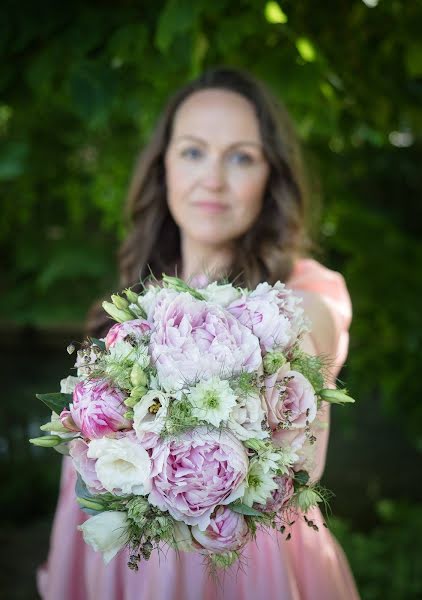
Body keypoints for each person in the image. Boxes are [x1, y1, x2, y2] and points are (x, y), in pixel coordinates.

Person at [38, 66, 360, 599]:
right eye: (192, 151)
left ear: (271, 177)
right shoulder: (123, 314)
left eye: (241, 157)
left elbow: (310, 333)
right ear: (163, 167)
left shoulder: (302, 295)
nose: (212, 178)